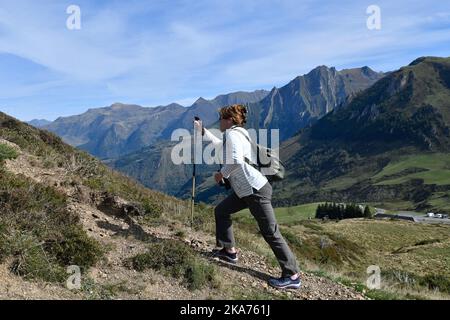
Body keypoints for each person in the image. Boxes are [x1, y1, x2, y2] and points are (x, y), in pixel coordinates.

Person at [194, 104, 301, 290]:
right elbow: (219, 144)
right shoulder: (237, 134)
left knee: (270, 232)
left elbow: (235, 161)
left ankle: (292, 275)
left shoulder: (233, 135)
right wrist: (202, 130)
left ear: (229, 120)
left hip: (256, 190)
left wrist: (221, 175)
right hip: (245, 190)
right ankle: (229, 251)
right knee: (221, 211)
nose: (219, 122)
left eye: (220, 119)